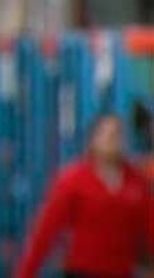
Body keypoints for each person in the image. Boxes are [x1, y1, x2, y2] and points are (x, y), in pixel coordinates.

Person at [15, 114, 154, 278]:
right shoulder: (73, 180)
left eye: (118, 134)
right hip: (82, 271)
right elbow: (45, 231)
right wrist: (25, 273)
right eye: (107, 134)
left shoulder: (136, 182)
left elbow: (150, 227)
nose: (113, 140)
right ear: (93, 140)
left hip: (121, 272)